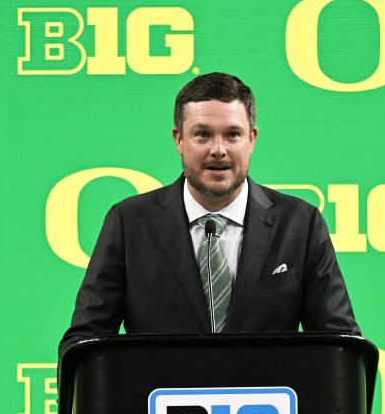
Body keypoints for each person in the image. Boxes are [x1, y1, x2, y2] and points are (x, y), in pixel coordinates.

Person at [58, 72, 359, 360]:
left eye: (232, 135)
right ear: (179, 139)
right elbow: (85, 340)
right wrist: (77, 410)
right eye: (202, 135)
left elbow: (340, 344)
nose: (218, 150)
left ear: (251, 139)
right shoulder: (129, 223)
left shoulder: (300, 224)